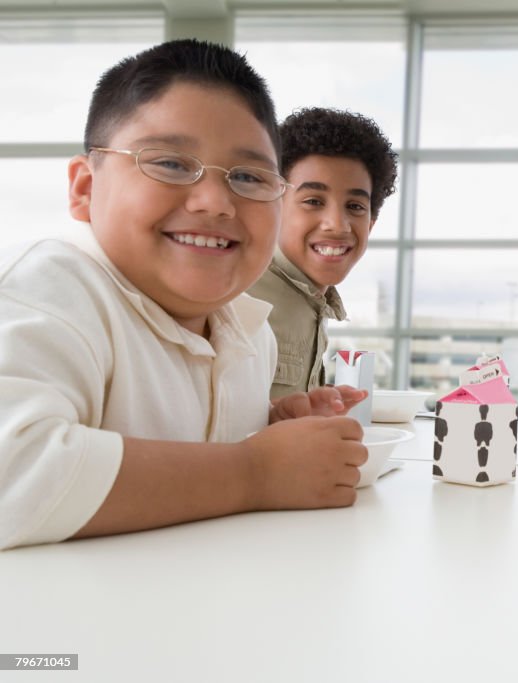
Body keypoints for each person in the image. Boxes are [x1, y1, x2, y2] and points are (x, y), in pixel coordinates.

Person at [0, 39, 368, 551]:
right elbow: (13, 475)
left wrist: (271, 428)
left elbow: (189, 465)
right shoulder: (47, 287)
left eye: (247, 176)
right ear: (85, 187)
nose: (216, 202)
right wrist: (255, 470)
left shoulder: (247, 328)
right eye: (170, 163)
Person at [248, 108, 397, 400]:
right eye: (314, 201)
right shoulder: (242, 295)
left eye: (355, 206)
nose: (337, 225)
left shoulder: (312, 300)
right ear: (273, 208)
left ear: (371, 224)